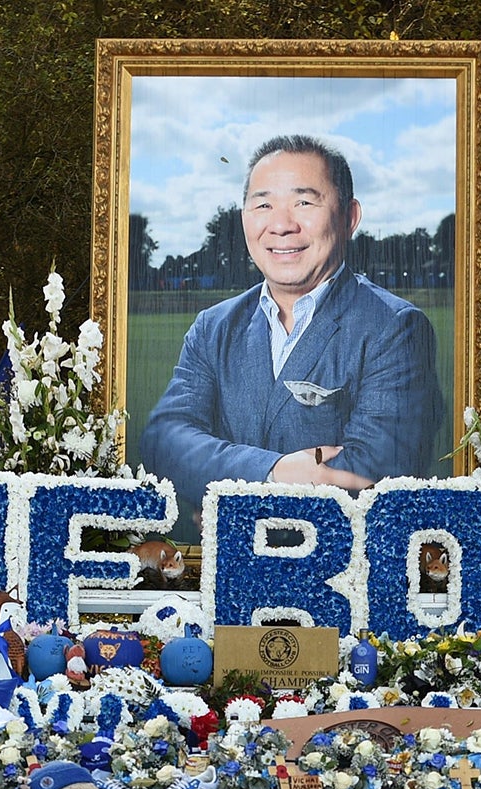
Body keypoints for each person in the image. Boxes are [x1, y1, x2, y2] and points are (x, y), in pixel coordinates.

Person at [142, 135, 447, 533]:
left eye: (304, 202)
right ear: (244, 218)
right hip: (229, 578)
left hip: (339, 580)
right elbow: (165, 441)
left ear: (349, 217)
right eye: (263, 204)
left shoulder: (395, 328)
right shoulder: (213, 327)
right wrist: (274, 472)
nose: (282, 225)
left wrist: (228, 506)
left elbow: (371, 473)